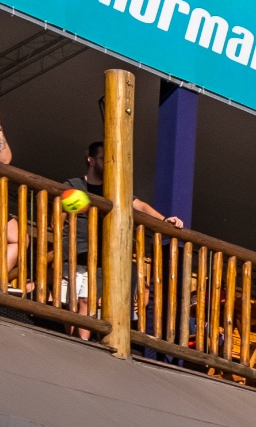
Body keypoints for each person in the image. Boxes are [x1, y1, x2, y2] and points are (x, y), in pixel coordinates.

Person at [58, 141, 183, 339]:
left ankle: (81, 344)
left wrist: (164, 220)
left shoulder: (113, 190)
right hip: (71, 254)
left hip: (99, 259)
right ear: (90, 160)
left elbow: (139, 206)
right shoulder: (73, 185)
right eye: (103, 159)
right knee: (69, 302)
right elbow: (58, 218)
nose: (107, 163)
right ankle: (70, 341)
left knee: (86, 300)